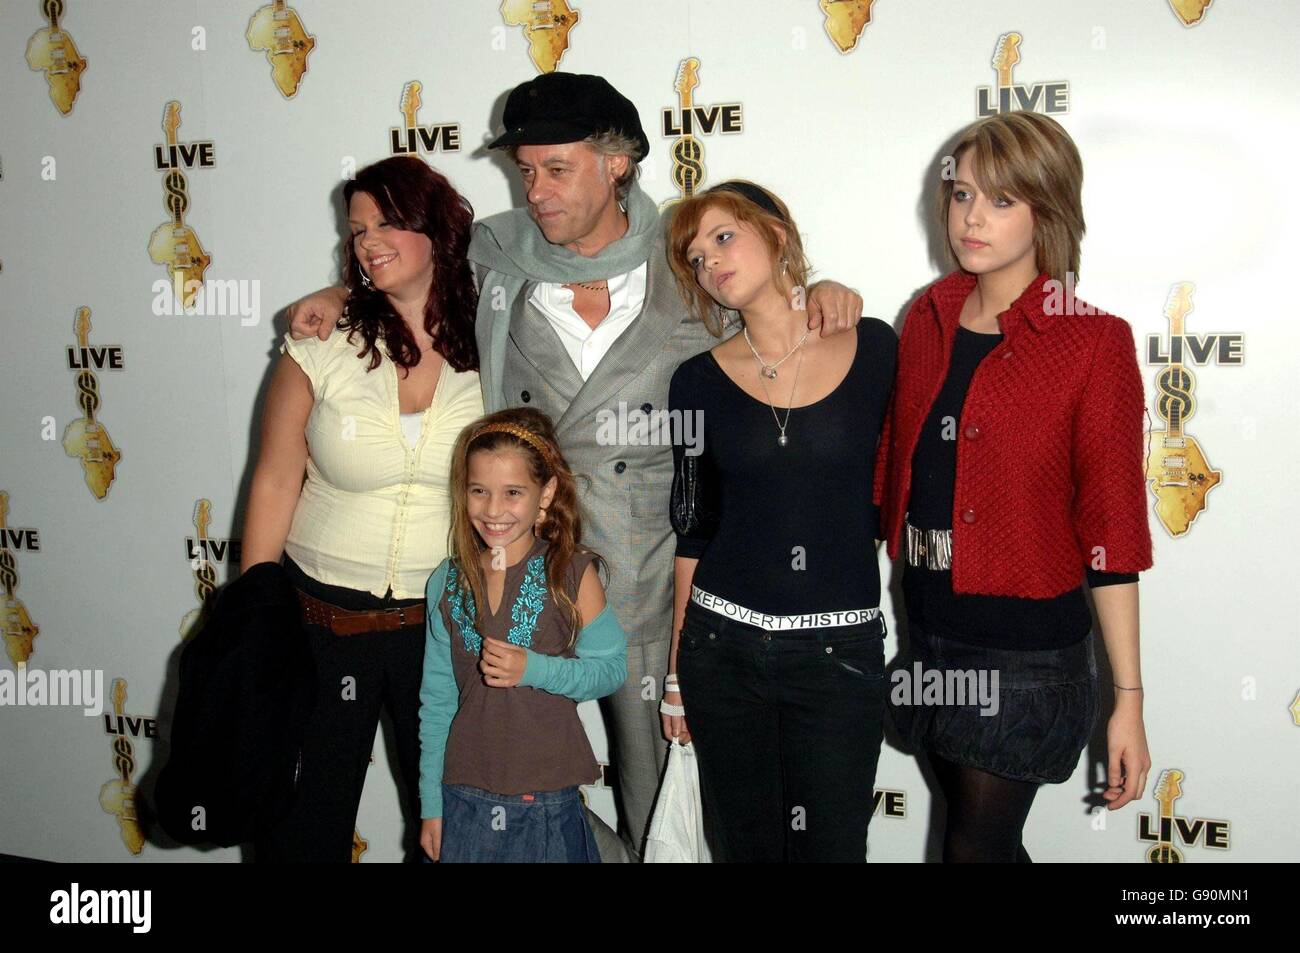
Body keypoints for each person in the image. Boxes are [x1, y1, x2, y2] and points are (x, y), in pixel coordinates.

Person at [283, 72, 865, 858]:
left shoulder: (692, 265)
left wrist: (826, 290)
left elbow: (771, 312)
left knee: (661, 799)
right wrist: (334, 292)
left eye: (557, 169)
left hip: (651, 583)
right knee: (493, 780)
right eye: (525, 171)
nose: (536, 192)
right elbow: (407, 271)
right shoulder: (497, 260)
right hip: (519, 576)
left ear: (618, 163)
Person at [875, 111, 1153, 862]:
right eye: (963, 194)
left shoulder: (1092, 341)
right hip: (926, 630)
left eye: (1002, 200)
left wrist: (1126, 697)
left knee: (975, 846)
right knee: (982, 845)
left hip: (1023, 652)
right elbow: (890, 466)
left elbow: (1113, 527)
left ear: (1048, 208)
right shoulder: (925, 318)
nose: (972, 217)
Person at [240, 156, 484, 861]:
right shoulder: (320, 342)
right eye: (356, 229)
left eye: (387, 222)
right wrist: (257, 616)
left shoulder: (496, 336)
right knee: (303, 830)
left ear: (435, 229)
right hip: (321, 623)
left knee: (452, 831)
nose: (368, 240)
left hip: (443, 629)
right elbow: (274, 480)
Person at [662, 181, 897, 862]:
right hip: (722, 650)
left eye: (724, 237)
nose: (711, 263)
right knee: (744, 849)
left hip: (838, 655)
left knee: (833, 848)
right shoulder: (695, 381)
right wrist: (677, 671)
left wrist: (833, 290)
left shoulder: (876, 348)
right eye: (697, 256)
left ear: (778, 235)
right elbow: (693, 528)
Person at [418, 408, 628, 862]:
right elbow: (437, 702)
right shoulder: (446, 582)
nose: (494, 510)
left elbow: (611, 670)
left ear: (546, 492)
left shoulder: (570, 573)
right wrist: (431, 806)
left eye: (513, 492)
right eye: (479, 491)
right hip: (464, 799)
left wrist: (536, 669)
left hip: (546, 803)